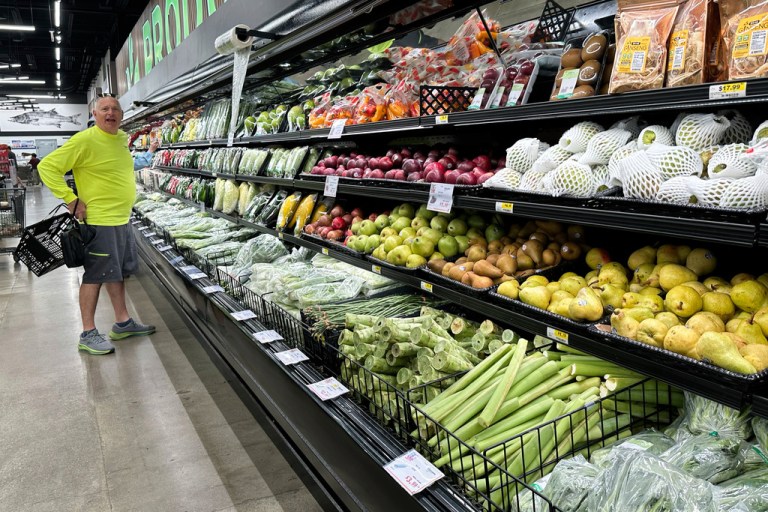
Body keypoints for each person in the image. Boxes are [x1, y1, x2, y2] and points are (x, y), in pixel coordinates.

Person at [38, 95, 156, 355]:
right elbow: (47, 167)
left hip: (121, 219)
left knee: (116, 273)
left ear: (122, 115)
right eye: (104, 109)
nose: (110, 113)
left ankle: (122, 322)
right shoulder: (84, 140)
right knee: (95, 276)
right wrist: (71, 199)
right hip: (100, 221)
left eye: (115, 109)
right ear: (94, 114)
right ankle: (88, 333)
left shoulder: (121, 138)